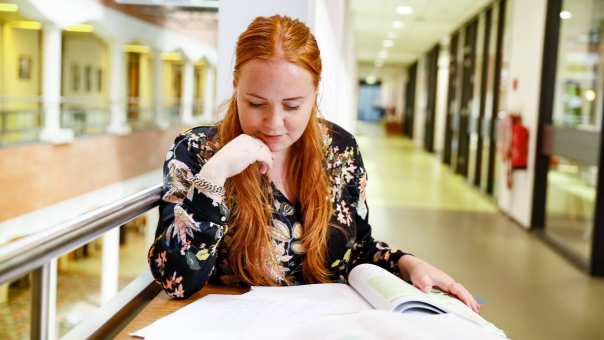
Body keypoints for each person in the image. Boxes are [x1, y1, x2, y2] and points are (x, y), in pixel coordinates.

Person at [148, 14, 480, 313]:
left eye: (292, 106)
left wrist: (405, 262)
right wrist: (216, 174)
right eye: (255, 103)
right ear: (236, 87)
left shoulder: (339, 150)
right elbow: (176, 280)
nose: (273, 123)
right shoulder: (197, 151)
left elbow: (356, 247)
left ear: (315, 93)